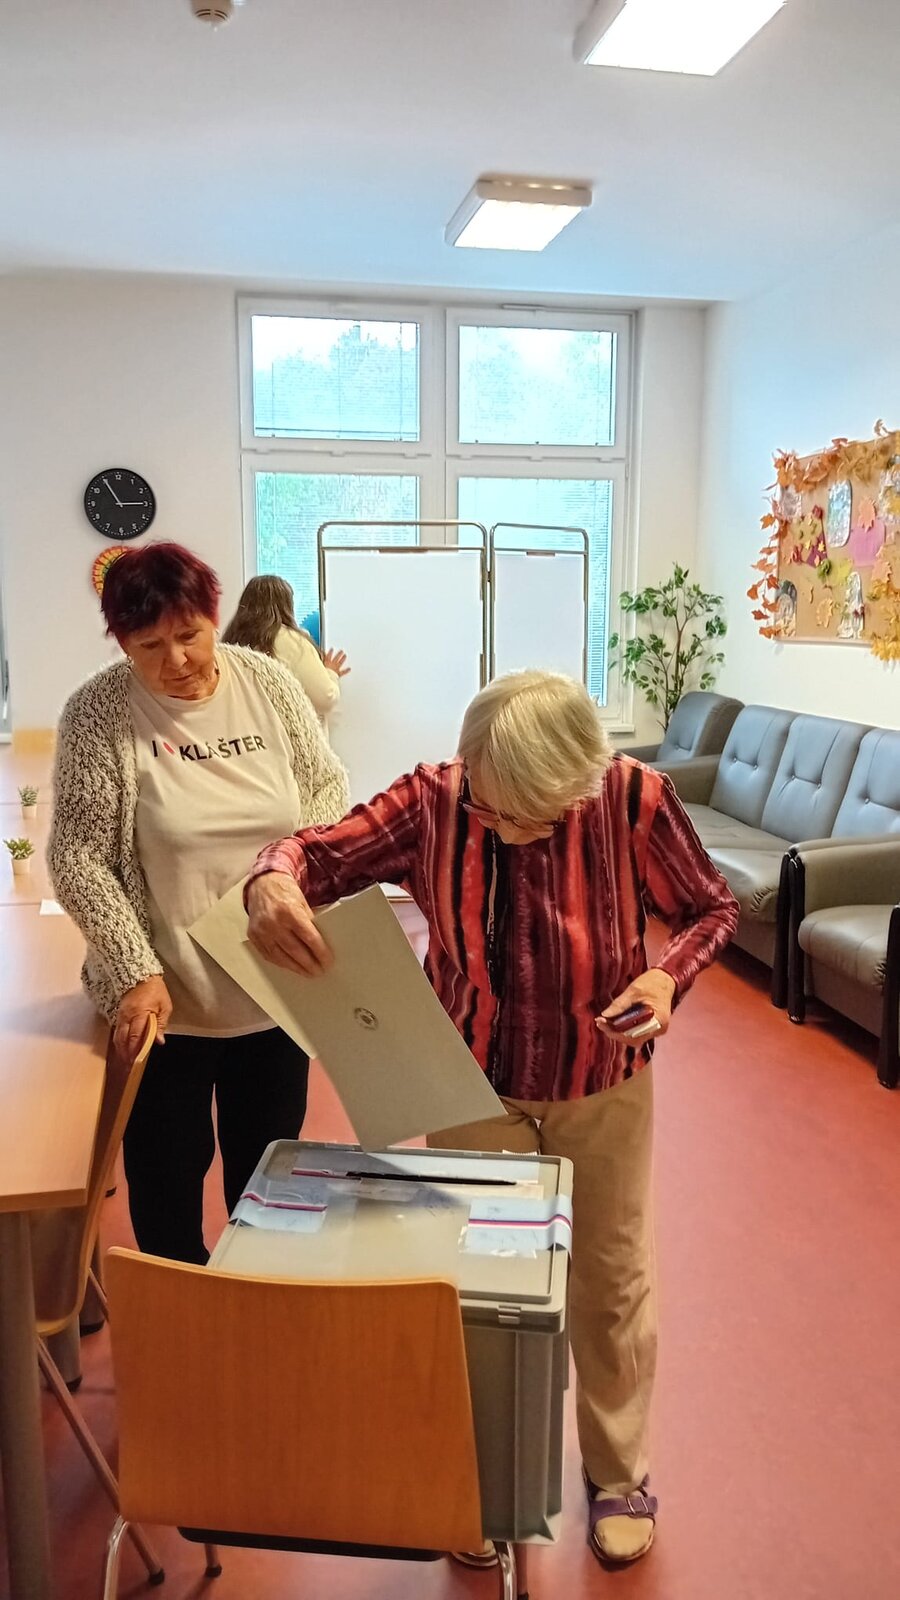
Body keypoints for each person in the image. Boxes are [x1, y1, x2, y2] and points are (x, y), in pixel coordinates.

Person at [244, 670, 738, 1568]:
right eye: (497, 811)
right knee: (479, 1289)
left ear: (581, 783)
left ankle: (618, 1471)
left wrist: (668, 976)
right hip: (468, 1079)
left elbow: (713, 905)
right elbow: (308, 854)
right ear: (469, 767)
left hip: (602, 1076)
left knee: (610, 1277)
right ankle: (487, 1473)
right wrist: (270, 883)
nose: (512, 830)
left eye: (538, 818)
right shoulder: (433, 801)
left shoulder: (634, 798)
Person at [49, 542, 349, 1265]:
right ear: (123, 643)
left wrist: (291, 874)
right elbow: (79, 856)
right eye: (149, 646)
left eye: (189, 635)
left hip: (275, 990)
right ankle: (178, 1320)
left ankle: (257, 1308)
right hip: (169, 1008)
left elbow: (326, 788)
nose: (177, 659)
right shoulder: (98, 712)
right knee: (166, 1185)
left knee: (272, 1187)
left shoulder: (267, 683)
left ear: (214, 619)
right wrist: (133, 971)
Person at [222, 574, 349, 725]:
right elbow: (324, 698)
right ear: (286, 606)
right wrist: (331, 673)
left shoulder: (231, 642)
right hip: (285, 734)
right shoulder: (291, 641)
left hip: (245, 732)